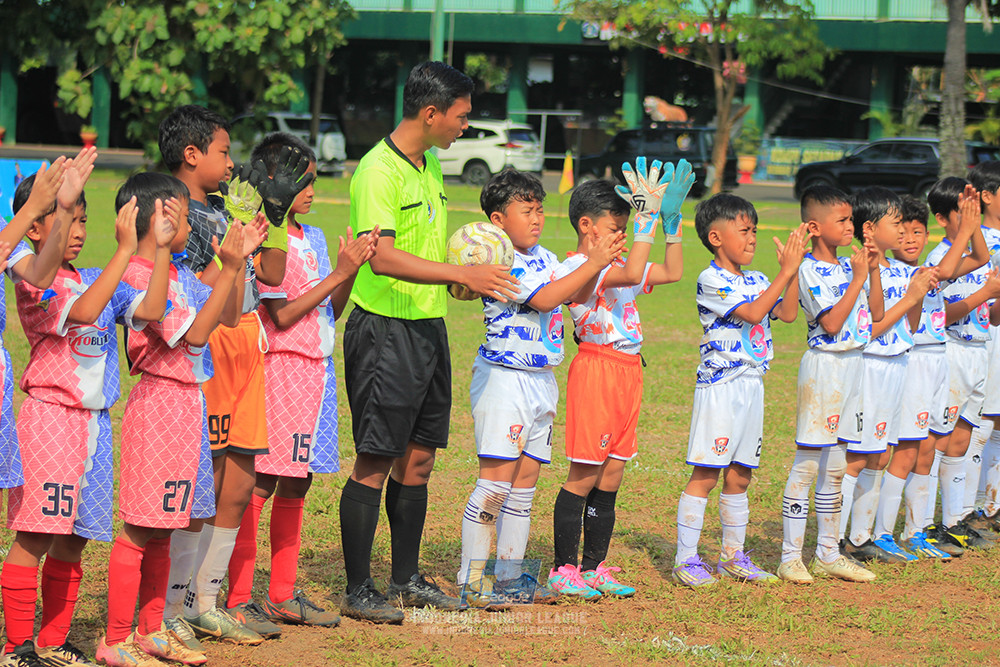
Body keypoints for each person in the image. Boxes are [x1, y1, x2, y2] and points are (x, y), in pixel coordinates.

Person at [340, 61, 518, 624]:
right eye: (462, 116)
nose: (467, 125)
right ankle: (358, 587)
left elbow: (431, 252)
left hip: (428, 328)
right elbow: (383, 256)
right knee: (376, 458)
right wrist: (457, 275)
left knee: (418, 460)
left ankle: (405, 577)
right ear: (431, 113)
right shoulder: (378, 171)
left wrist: (458, 277)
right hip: (383, 330)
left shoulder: (431, 163)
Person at [2, 163, 170, 667]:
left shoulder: (97, 275)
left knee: (74, 539)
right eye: (68, 217)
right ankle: (16, 647)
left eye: (81, 219)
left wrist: (156, 247)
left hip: (95, 427)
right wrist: (124, 252)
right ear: (34, 228)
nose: (78, 230)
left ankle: (52, 641)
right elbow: (82, 311)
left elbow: (151, 309)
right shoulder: (34, 280)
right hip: (51, 419)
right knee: (35, 535)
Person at [157, 105, 311, 644]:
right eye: (223, 151)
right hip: (212, 346)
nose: (230, 161)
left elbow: (270, 272)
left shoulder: (228, 206)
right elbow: (199, 290)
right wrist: (228, 259)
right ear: (192, 154)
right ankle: (172, 604)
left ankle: (206, 599)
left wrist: (270, 212)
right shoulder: (177, 213)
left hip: (248, 340)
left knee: (240, 480)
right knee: (206, 481)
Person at [226, 133, 377, 629]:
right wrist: (339, 274)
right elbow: (284, 315)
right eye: (303, 179)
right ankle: (241, 595)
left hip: (317, 371)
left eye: (313, 178)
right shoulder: (261, 237)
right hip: (281, 369)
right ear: (273, 181)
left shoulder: (311, 236)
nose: (312, 188)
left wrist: (348, 272)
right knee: (262, 480)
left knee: (298, 481)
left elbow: (328, 311)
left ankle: (282, 594)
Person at [99, 173, 250, 667]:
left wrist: (236, 262)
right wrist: (227, 267)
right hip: (159, 405)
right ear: (161, 217)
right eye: (185, 217)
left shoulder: (181, 271)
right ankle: (116, 637)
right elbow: (196, 336)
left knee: (166, 526)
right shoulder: (141, 275)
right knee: (141, 528)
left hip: (188, 404)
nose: (190, 225)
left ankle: (152, 629)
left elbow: (224, 315)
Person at [456, 168, 624, 606]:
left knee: (525, 485)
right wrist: (593, 262)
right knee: (495, 484)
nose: (536, 218)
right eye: (526, 210)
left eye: (540, 209)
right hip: (504, 380)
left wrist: (593, 268)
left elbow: (577, 297)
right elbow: (545, 299)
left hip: (541, 381)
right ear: (498, 219)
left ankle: (510, 577)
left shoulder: (547, 257)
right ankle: (472, 580)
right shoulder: (497, 258)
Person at [548, 161, 689, 599]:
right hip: (597, 368)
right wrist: (646, 220)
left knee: (611, 474)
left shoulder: (618, 259)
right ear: (587, 226)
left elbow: (670, 272)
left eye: (626, 226)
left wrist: (671, 224)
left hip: (629, 371)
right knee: (584, 473)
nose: (622, 234)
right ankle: (562, 568)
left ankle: (593, 567)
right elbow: (628, 274)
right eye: (616, 227)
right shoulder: (581, 264)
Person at [671, 193, 809, 587]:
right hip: (721, 386)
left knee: (741, 475)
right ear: (716, 237)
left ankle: (733, 556)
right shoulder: (710, 279)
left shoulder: (760, 279)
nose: (752, 239)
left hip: (753, 384)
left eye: (755, 231)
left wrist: (792, 271)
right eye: (744, 231)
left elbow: (786, 312)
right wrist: (785, 273)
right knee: (707, 472)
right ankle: (686, 560)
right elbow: (751, 313)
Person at [777, 184, 884, 585]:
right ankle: (790, 557)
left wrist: (870, 270)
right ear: (814, 227)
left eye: (850, 219)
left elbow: (876, 314)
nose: (850, 226)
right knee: (808, 463)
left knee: (836, 467)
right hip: (826, 369)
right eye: (841, 220)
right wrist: (859, 276)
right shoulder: (808, 268)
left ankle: (827, 553)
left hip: (855, 366)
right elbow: (832, 323)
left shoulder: (848, 266)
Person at [837, 187, 938, 563]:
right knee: (855, 458)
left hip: (898, 364)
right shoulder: (856, 269)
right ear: (870, 228)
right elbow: (872, 328)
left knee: (879, 454)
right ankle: (833, 541)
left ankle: (862, 538)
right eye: (895, 223)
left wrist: (918, 294)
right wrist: (911, 297)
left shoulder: (901, 269)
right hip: (870, 366)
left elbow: (909, 326)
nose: (902, 232)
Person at [921, 177, 1000, 551]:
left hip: (979, 351)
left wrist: (971, 225)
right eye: (961, 213)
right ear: (942, 219)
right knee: (938, 437)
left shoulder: (975, 257)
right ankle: (923, 523)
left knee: (964, 436)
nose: (971, 220)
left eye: (974, 212)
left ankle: (954, 520)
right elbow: (943, 316)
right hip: (952, 351)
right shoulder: (939, 259)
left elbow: (984, 260)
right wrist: (986, 293)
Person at [963, 161, 1000, 536]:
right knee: (982, 421)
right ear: (986, 196)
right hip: (986, 337)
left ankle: (993, 502)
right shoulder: (979, 242)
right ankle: (971, 508)